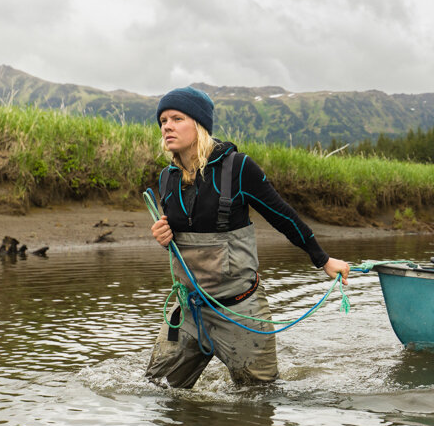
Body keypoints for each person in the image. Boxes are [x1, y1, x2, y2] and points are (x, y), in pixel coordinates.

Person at [145, 86, 350, 388]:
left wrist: (323, 259)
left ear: (199, 125)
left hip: (240, 310)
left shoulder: (238, 168)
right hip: (189, 310)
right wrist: (164, 237)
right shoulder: (167, 178)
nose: (167, 127)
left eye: (177, 118)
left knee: (258, 399)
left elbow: (283, 216)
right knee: (156, 389)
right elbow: (183, 240)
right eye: (163, 120)